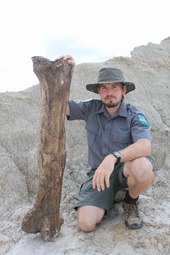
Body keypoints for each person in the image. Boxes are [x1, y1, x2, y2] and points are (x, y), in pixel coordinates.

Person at [59, 55, 154, 232]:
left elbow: (145, 145)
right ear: (98, 91)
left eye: (114, 87)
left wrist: (113, 158)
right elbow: (58, 106)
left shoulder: (134, 114)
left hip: (124, 170)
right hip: (99, 174)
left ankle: (130, 200)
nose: (109, 92)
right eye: (104, 88)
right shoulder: (90, 108)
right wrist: (64, 73)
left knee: (142, 166)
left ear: (123, 90)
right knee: (86, 224)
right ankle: (111, 196)